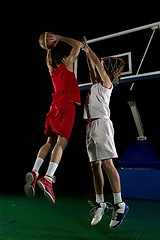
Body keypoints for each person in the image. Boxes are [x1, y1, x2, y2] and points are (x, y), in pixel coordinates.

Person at [24, 33, 82, 204]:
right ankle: (48, 178)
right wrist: (59, 37)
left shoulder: (53, 71)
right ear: (64, 60)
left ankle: (35, 171)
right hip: (66, 107)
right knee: (61, 143)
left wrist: (48, 48)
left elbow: (47, 61)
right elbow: (77, 45)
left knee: (50, 141)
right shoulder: (67, 66)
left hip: (54, 107)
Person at [81, 36, 129, 229]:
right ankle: (101, 203)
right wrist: (85, 55)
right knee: (95, 166)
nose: (98, 72)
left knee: (108, 163)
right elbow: (92, 68)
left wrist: (88, 48)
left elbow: (97, 65)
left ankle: (119, 204)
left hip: (102, 124)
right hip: (90, 126)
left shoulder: (106, 84)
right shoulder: (95, 86)